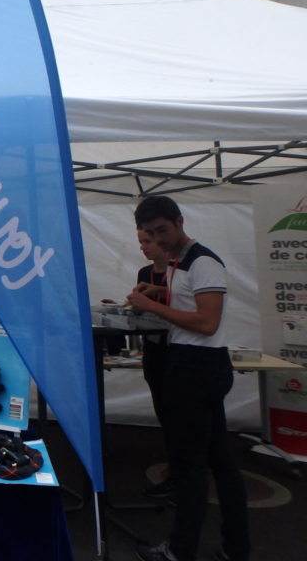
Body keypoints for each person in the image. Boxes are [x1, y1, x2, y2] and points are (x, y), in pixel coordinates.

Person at [126, 196, 249, 561]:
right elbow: (189, 303)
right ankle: (236, 546)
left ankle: (180, 551)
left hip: (197, 368)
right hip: (195, 366)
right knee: (222, 463)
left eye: (162, 231)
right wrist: (160, 292)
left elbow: (207, 323)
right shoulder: (180, 262)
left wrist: (153, 305)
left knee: (190, 467)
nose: (157, 240)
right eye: (149, 234)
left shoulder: (203, 261)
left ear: (180, 221)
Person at [137, 228, 174, 499]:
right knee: (163, 409)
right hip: (153, 349)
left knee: (178, 415)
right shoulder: (144, 273)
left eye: (148, 241)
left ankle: (181, 474)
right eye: (141, 242)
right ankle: (176, 471)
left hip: (176, 349)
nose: (144, 247)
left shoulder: (179, 272)